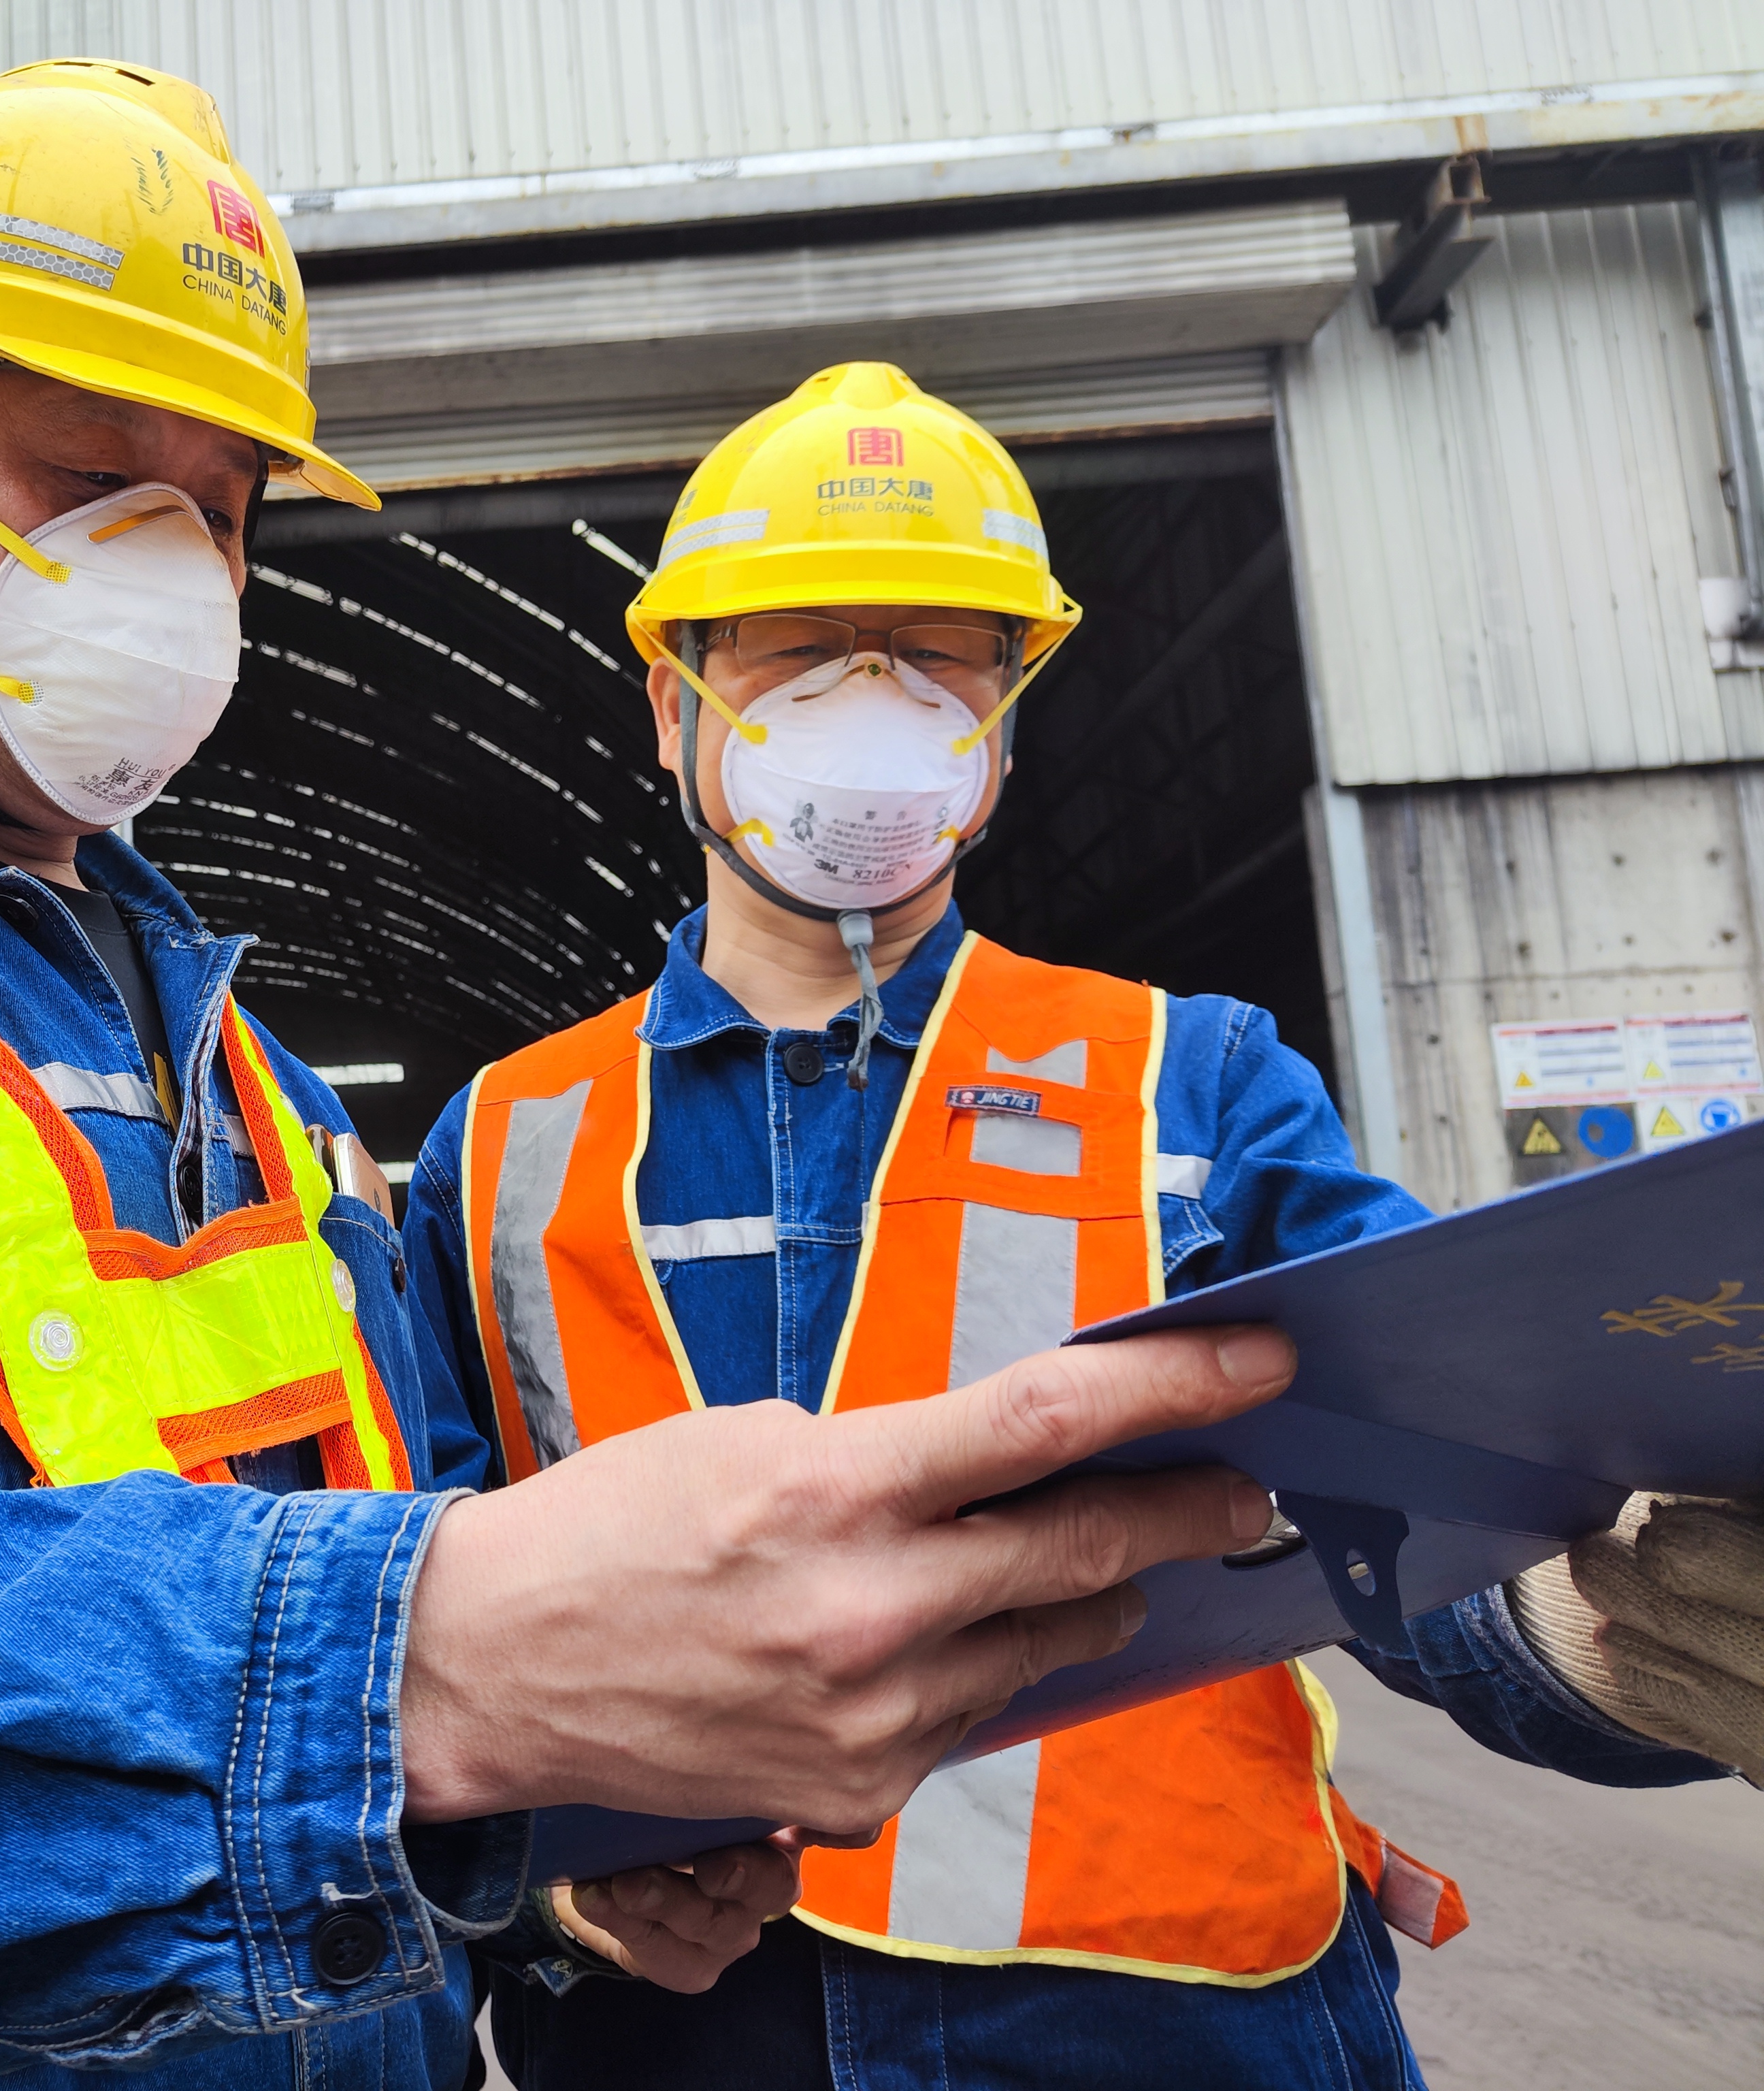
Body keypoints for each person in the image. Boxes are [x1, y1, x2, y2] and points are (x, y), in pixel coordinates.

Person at [0, 74, 1299, 2091]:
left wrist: (540, 1859)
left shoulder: (269, 1097)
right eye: (87, 491)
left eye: (219, 514)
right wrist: (416, 1665)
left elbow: (399, 1720)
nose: (167, 574)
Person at [402, 361, 1764, 2090]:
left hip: (1176, 2009)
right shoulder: (499, 1142)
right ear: (672, 700)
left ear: (1005, 709)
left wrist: (1599, 1636)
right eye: (794, 644)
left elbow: (1434, 1483)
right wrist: (541, 1906)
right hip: (688, 2023)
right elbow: (418, 1608)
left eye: (937, 648)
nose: (869, 694)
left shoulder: (1189, 1083)